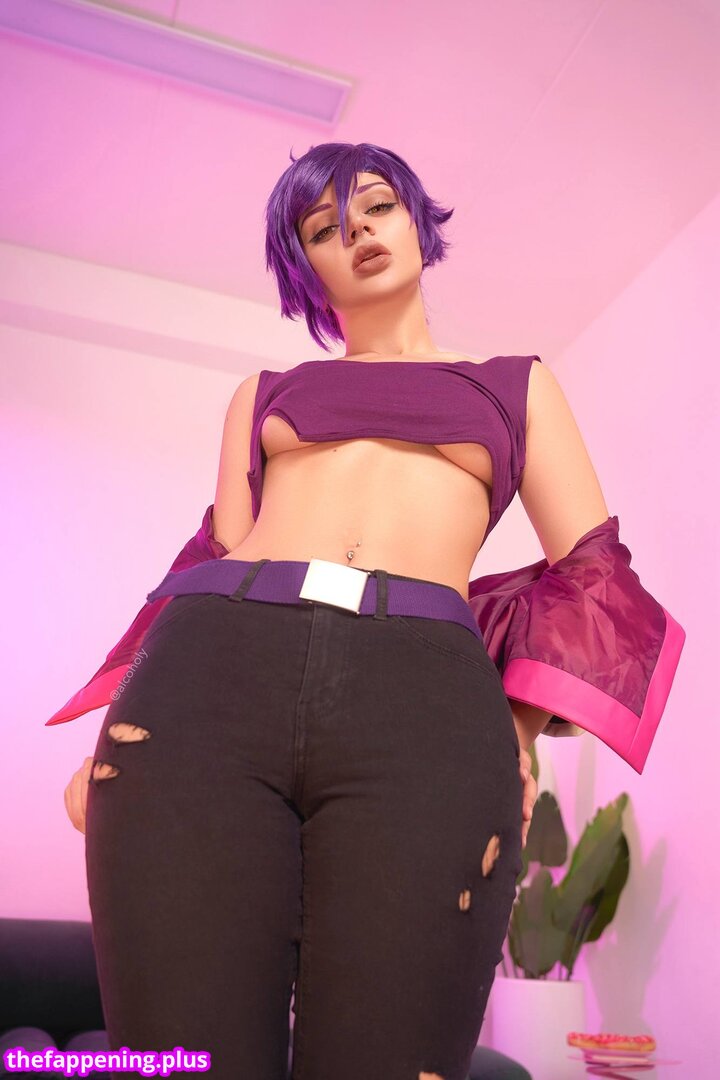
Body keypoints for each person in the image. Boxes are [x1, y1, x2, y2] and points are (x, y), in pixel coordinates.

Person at [58, 142, 685, 1080]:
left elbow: (592, 571)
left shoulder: (516, 384)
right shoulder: (262, 395)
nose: (357, 233)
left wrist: (516, 729)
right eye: (324, 228)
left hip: (422, 700)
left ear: (418, 223)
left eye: (378, 207)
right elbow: (210, 561)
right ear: (304, 269)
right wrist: (117, 728)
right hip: (211, 677)